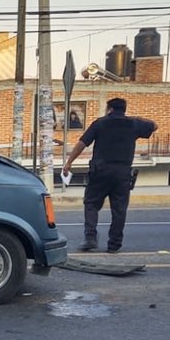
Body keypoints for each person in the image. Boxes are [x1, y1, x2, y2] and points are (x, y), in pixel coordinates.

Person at [63, 98, 157, 253]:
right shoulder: (134, 124)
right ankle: (114, 245)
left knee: (91, 204)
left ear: (110, 109)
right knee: (119, 210)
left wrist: (69, 162)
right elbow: (154, 125)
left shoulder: (100, 123)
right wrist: (136, 118)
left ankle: (90, 238)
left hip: (100, 172)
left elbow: (82, 143)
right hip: (122, 173)